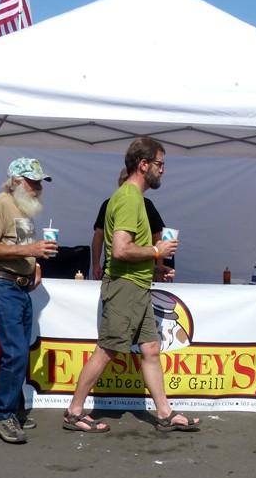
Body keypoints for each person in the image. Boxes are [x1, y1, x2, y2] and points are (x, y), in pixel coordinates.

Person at [64, 137, 200, 433]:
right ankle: (74, 412)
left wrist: (155, 269)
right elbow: (121, 250)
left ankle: (164, 413)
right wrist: (157, 252)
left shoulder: (134, 198)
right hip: (125, 287)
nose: (163, 170)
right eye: (160, 164)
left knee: (150, 348)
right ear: (144, 164)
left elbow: (126, 252)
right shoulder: (128, 199)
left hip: (136, 286)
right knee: (107, 350)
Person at [0, 157, 58, 444]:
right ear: (15, 181)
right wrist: (33, 249)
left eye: (39, 182)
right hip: (3, 285)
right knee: (15, 352)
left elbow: (23, 248)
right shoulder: (0, 203)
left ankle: (12, 410)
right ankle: (1, 415)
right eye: (33, 181)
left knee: (20, 351)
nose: (38, 187)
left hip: (18, 287)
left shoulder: (23, 207)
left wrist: (35, 263)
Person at [91, 167, 172, 280]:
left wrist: (158, 266)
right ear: (119, 181)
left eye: (128, 178)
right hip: (121, 273)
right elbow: (99, 237)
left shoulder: (146, 204)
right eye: (124, 179)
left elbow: (156, 236)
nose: (127, 182)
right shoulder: (113, 202)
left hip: (142, 272)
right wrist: (95, 265)